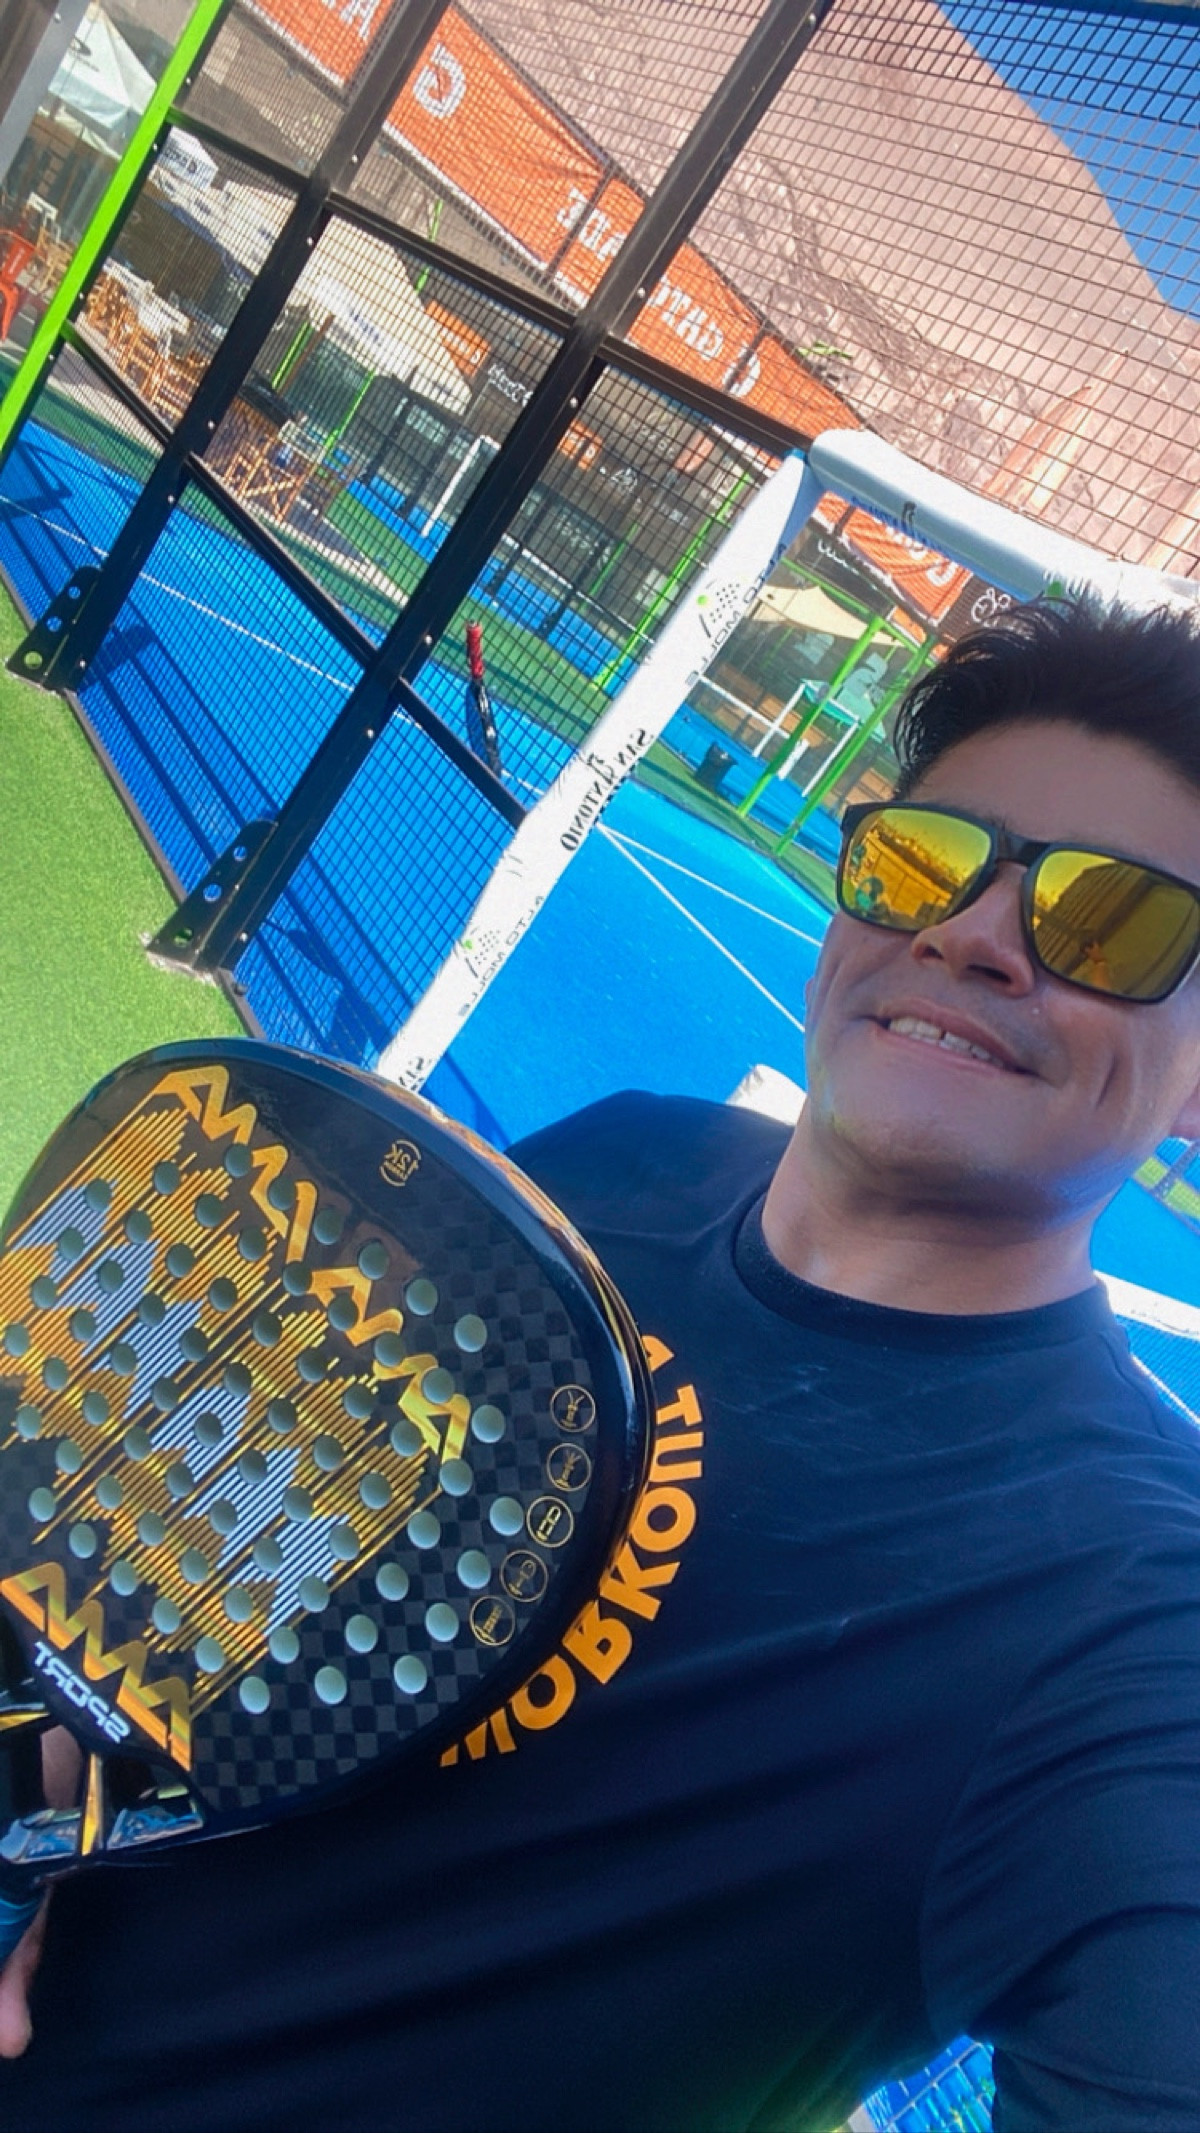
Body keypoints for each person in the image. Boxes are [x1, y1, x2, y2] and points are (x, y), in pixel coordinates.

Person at [3, 596, 1200, 2131]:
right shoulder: (632, 1160)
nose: (968, 933)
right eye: (923, 860)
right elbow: (218, 1551)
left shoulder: (1135, 1612)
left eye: (1112, 921)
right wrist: (35, 1797)